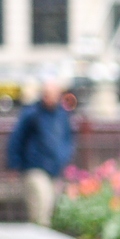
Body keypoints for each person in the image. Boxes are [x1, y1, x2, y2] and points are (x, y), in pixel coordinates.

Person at [6, 79, 74, 226]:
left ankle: (41, 235)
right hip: (34, 166)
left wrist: (64, 158)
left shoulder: (61, 115)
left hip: (54, 168)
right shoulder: (32, 114)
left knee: (51, 206)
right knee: (41, 202)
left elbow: (67, 139)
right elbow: (17, 139)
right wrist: (14, 163)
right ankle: (39, 235)